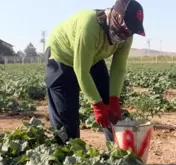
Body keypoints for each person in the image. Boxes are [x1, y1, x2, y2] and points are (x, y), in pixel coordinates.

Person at [44, 0, 145, 144]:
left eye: (130, 30)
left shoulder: (127, 34)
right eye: (126, 28)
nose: (126, 34)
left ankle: (116, 150)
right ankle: (65, 153)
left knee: (109, 104)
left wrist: (114, 100)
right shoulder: (89, 27)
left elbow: (119, 68)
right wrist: (96, 105)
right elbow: (81, 70)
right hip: (61, 56)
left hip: (92, 58)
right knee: (67, 117)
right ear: (116, 17)